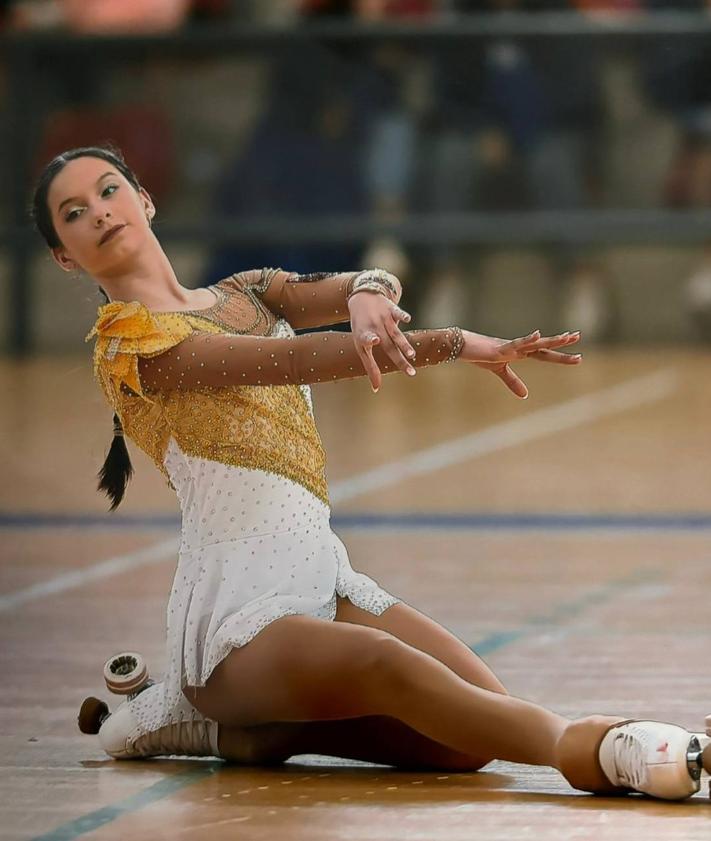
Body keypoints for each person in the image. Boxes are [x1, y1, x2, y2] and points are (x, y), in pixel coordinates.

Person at [31, 144, 710, 801]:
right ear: (64, 255)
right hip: (235, 623)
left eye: (109, 189)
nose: (98, 210)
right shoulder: (131, 346)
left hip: (324, 579)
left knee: (466, 736)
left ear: (144, 199)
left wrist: (365, 289)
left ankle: (232, 732)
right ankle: (602, 747)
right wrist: (450, 342)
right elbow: (291, 363)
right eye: (73, 212)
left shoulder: (246, 291)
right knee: (389, 667)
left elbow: (362, 285)